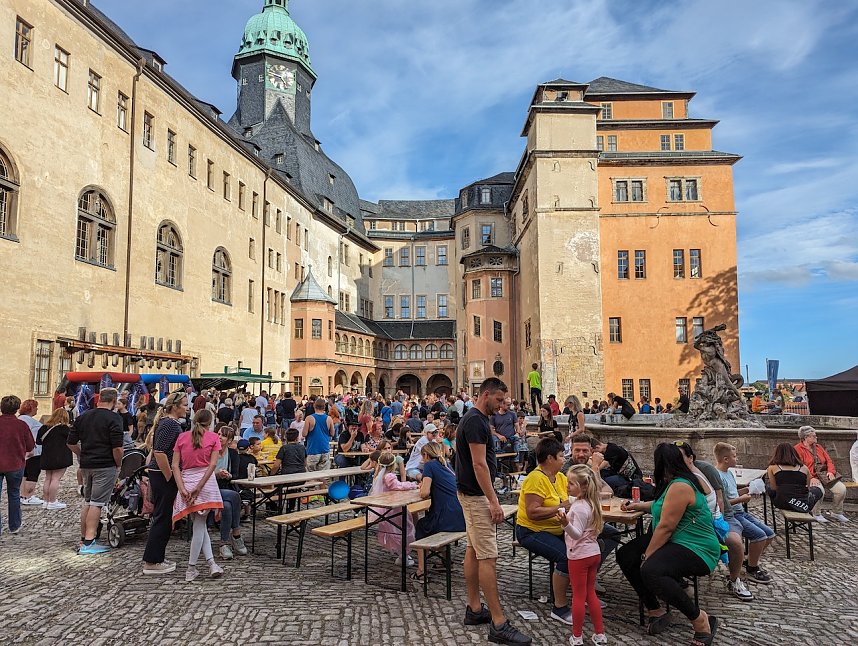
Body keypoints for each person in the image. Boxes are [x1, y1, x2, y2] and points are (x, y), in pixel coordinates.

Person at [617, 443, 719, 643]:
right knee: (626, 555)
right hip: (675, 540)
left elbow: (666, 527)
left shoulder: (681, 486)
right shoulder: (673, 483)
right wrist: (637, 505)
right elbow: (660, 505)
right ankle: (655, 609)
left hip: (697, 547)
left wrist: (647, 555)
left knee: (651, 569)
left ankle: (700, 620)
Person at [456, 378, 531, 645]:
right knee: (488, 555)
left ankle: (475, 609)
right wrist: (493, 501)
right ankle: (499, 623)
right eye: (499, 400)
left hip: (469, 493)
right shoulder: (475, 421)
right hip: (477, 496)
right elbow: (479, 465)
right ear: (485, 394)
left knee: (473, 549)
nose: (501, 407)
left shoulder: (471, 418)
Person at [515, 438, 574, 625]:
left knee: (597, 541)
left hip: (558, 529)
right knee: (566, 556)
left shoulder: (561, 477)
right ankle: (559, 607)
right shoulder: (535, 478)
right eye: (561, 456)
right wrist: (560, 507)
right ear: (550, 458)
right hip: (531, 531)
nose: (564, 459)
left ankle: (584, 591)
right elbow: (533, 512)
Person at [67, 387, 124, 555]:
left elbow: (70, 442)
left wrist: (81, 453)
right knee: (97, 503)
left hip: (87, 464)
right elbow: (117, 448)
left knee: (88, 501)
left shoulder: (83, 417)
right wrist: (118, 464)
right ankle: (89, 541)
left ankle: (84, 537)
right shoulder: (114, 418)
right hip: (105, 464)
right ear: (114, 401)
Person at [171, 409, 225, 581]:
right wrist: (200, 487)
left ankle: (211, 563)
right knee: (200, 526)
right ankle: (191, 567)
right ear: (210, 422)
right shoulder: (213, 438)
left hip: (186, 480)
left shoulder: (182, 437)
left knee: (199, 525)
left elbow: (174, 466)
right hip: (205, 482)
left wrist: (181, 488)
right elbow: (213, 465)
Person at [558, 464, 607, 645]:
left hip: (578, 555)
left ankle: (577, 636)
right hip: (593, 553)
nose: (567, 486)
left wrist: (565, 523)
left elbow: (576, 533)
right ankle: (599, 633)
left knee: (578, 597)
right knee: (590, 593)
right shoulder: (591, 503)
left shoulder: (578, 508)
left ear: (583, 487)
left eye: (571, 483)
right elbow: (574, 500)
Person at [714, 442, 775, 583]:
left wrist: (748, 490)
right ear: (725, 459)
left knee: (770, 534)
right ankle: (752, 568)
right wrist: (741, 499)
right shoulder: (718, 476)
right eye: (735, 457)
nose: (737, 459)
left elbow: (733, 493)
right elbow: (721, 502)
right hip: (733, 514)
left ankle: (748, 561)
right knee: (759, 536)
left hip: (740, 512)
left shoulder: (729, 473)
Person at [141, 391, 188, 574]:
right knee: (162, 517)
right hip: (162, 474)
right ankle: (152, 561)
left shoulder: (171, 423)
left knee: (164, 517)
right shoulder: (169, 424)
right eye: (184, 404)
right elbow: (159, 452)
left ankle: (157, 556)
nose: (187, 408)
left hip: (162, 474)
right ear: (175, 406)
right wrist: (170, 476)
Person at [412, 441, 465, 582]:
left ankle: (421, 572)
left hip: (447, 516)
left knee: (421, 527)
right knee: (428, 521)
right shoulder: (446, 464)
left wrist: (422, 485)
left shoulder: (429, 466)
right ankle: (444, 562)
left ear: (425, 455)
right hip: (460, 515)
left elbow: (424, 493)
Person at [369, 451, 418, 565]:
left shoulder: (378, 476)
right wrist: (413, 485)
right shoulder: (389, 476)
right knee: (404, 528)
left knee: (394, 530)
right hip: (394, 508)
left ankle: (402, 553)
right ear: (393, 465)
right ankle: (403, 554)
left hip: (385, 508)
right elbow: (399, 486)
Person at [794, 426, 848, 522]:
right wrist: (810, 478)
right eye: (814, 436)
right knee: (819, 491)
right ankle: (816, 513)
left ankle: (837, 512)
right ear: (806, 437)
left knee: (841, 489)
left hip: (824, 475)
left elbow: (829, 461)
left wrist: (831, 472)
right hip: (811, 477)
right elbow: (799, 467)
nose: (816, 437)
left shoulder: (818, 447)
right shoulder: (797, 449)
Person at [0, 395, 35, 536]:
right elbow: (30, 445)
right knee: (14, 494)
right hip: (15, 464)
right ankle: (14, 525)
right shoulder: (21, 425)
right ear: (16, 409)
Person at [213, 428, 248, 560]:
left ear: (229, 441)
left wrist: (228, 475)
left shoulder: (233, 454)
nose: (220, 437)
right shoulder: (210, 451)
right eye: (219, 434)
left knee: (227, 506)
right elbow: (204, 472)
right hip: (212, 487)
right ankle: (236, 534)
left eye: (224, 436)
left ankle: (224, 543)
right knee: (235, 497)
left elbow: (236, 475)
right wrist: (217, 474)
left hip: (226, 486)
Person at [766, 442, 824, 514]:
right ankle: (813, 512)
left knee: (768, 487)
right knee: (817, 490)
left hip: (782, 502)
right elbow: (808, 488)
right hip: (802, 502)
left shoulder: (772, 468)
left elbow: (774, 488)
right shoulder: (804, 468)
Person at [36, 408, 73, 509]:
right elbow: (72, 441)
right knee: (56, 479)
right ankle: (52, 501)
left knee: (48, 478)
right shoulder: (65, 429)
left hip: (47, 455)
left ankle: (46, 500)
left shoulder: (44, 427)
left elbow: (38, 441)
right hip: (61, 456)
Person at [18, 399, 44, 506]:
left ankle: (23, 495)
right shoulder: (28, 421)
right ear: (31, 408)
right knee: (32, 474)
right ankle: (28, 495)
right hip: (33, 451)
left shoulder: (20, 419)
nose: (37, 409)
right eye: (36, 407)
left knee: (25, 474)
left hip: (25, 451)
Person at [303, 398, 333, 471]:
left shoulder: (309, 418)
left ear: (314, 406)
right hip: (325, 448)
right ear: (324, 407)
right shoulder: (329, 418)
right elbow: (332, 433)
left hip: (313, 449)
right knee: (324, 476)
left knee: (311, 476)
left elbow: (304, 434)